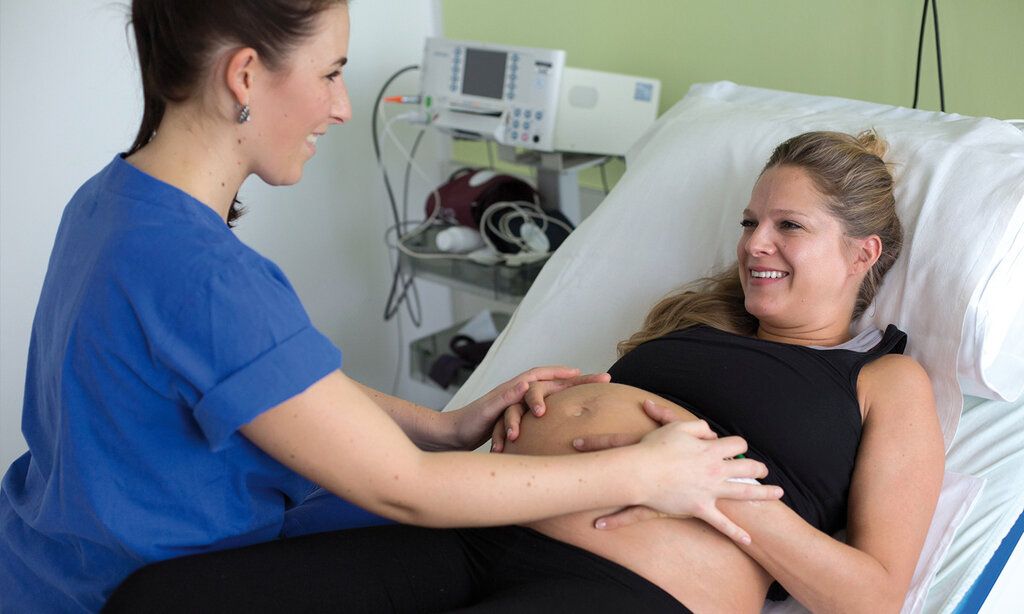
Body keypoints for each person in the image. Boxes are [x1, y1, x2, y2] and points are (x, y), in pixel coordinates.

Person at [0, 2, 781, 612]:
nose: (341, 107)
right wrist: (642, 472)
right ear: (245, 76)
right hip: (139, 587)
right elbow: (403, 487)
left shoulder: (115, 201)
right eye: (331, 72)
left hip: (48, 558)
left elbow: (280, 392)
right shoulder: (204, 277)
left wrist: (442, 426)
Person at [106, 129, 945, 613]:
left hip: (630, 585)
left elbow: (873, 596)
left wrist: (706, 481)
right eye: (750, 220)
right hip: (476, 530)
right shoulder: (694, 322)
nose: (754, 243)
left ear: (861, 253)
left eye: (787, 226)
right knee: (163, 603)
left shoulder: (882, 380)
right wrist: (558, 404)